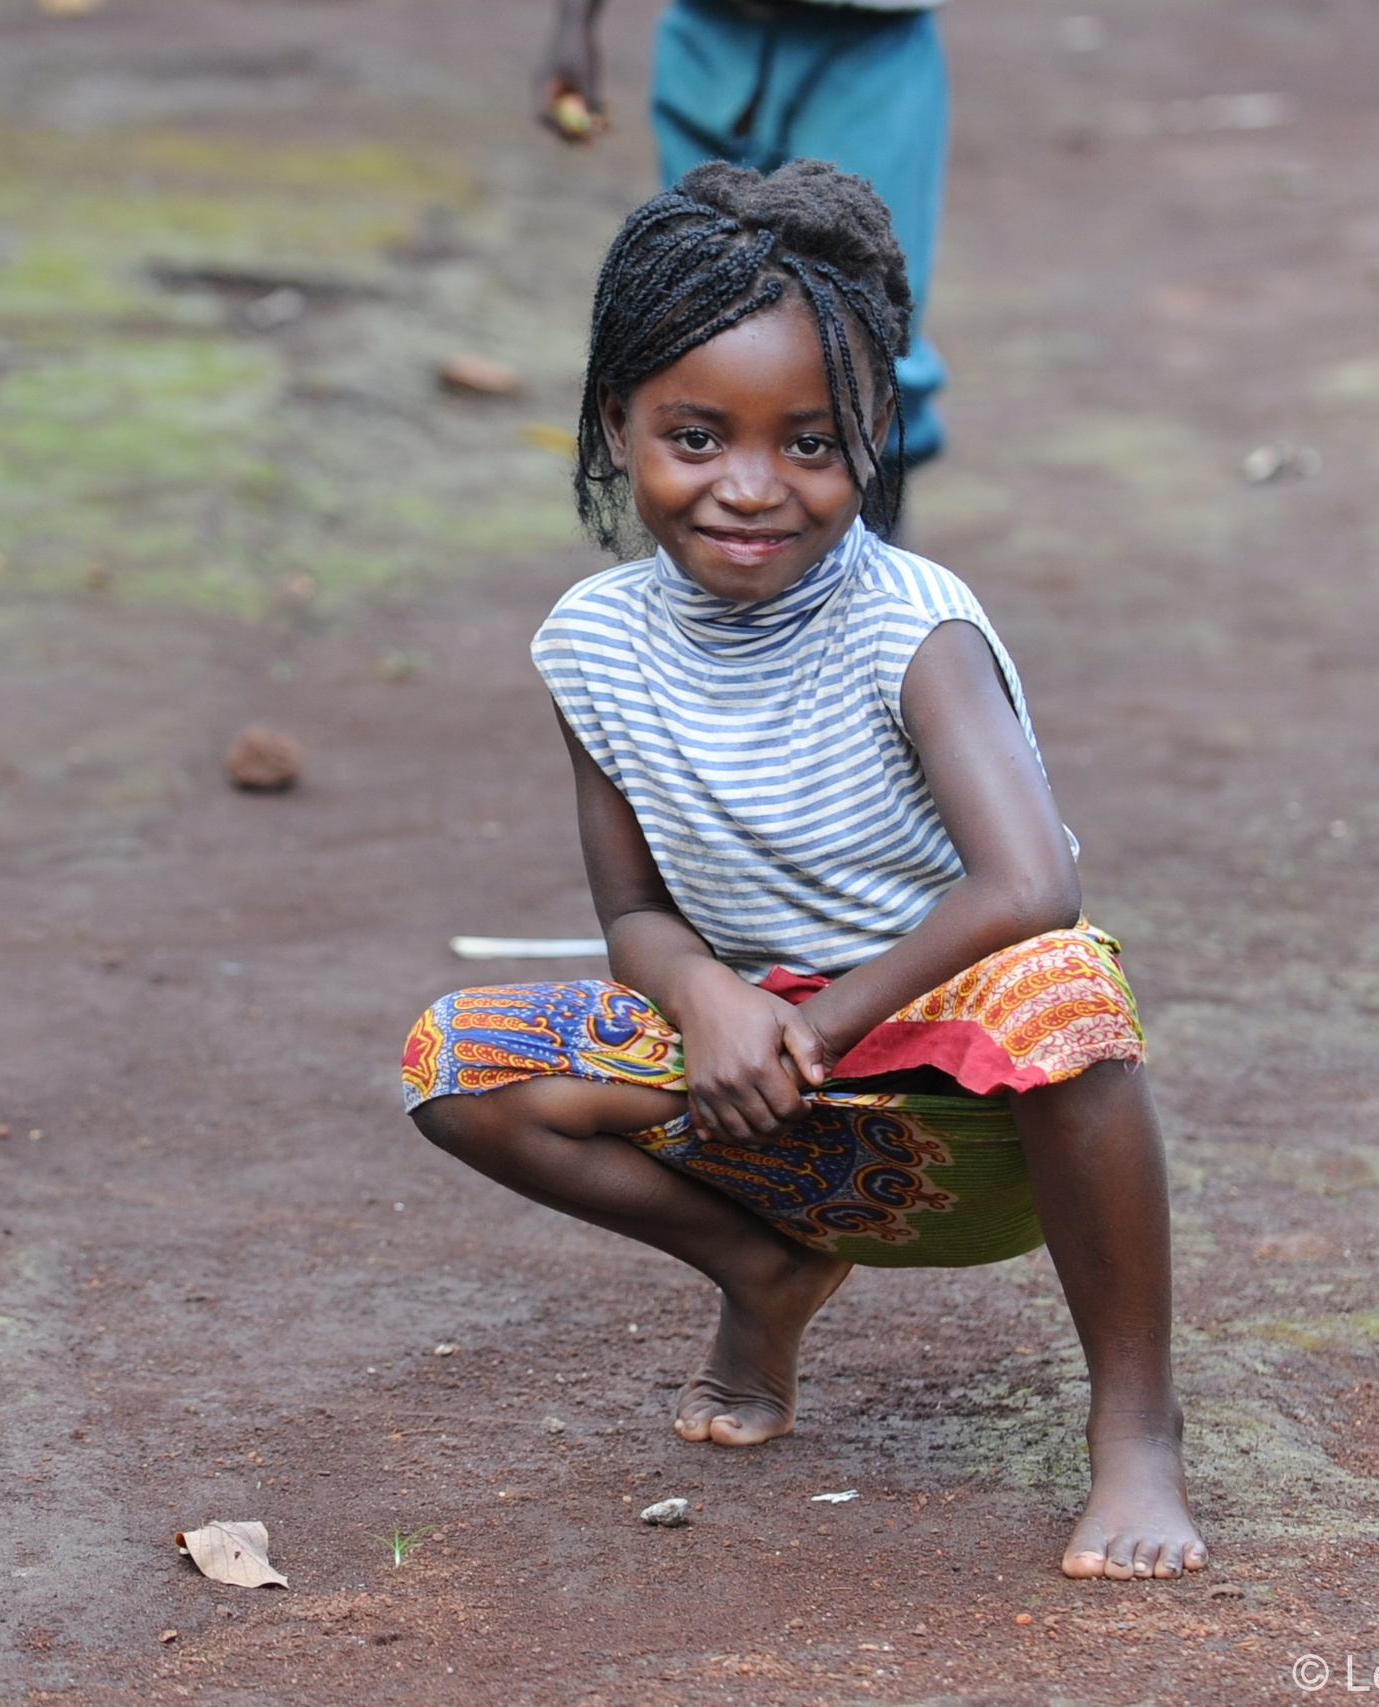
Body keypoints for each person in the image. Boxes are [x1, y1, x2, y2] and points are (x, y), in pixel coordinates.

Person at [400, 161, 1206, 1580]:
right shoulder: (591, 643)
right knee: (453, 1064)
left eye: (810, 442)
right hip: (750, 1078)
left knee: (1070, 994)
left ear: (876, 435)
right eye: (696, 436)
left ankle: (1137, 1426)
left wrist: (816, 1024)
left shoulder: (914, 625)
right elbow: (633, 909)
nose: (751, 487)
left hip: (945, 1057)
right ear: (615, 424)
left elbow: (1029, 884)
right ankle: (764, 1269)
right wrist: (711, 1000)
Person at [537, 0, 951, 474]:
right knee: (697, 311)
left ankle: (870, 530)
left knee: (863, 332)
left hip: (874, 40)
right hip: (710, 34)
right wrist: (575, 22)